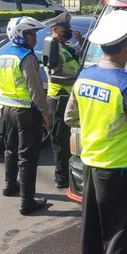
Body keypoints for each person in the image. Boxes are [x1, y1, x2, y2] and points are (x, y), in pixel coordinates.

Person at [64, 10, 127, 254]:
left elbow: (70, 117)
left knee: (91, 233)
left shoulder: (85, 77)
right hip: (118, 172)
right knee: (119, 238)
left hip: (90, 166)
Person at [0, 16, 53, 215]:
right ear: (22, 35)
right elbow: (36, 89)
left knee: (10, 150)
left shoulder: (4, 56)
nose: (35, 37)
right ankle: (27, 202)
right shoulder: (26, 58)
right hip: (25, 111)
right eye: (32, 33)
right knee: (28, 157)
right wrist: (46, 114)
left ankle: (9, 185)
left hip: (6, 109)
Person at [44, 13, 84, 188]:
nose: (67, 32)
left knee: (73, 140)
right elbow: (54, 77)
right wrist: (78, 79)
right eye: (64, 30)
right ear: (54, 30)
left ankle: (72, 175)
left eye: (69, 29)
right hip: (59, 98)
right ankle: (61, 178)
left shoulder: (66, 46)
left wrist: (81, 42)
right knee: (61, 142)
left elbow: (80, 61)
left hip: (72, 98)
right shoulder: (51, 47)